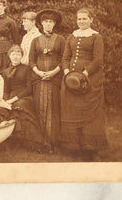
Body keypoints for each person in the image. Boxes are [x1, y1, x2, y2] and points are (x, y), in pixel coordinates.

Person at [60, 8, 108, 159]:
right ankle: (73, 145)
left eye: (84, 19)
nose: (81, 21)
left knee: (88, 111)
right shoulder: (71, 36)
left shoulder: (96, 37)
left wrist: (84, 74)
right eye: (79, 19)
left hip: (89, 79)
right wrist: (67, 72)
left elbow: (98, 60)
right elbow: (65, 57)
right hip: (70, 80)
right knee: (71, 109)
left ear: (91, 20)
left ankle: (90, 147)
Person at [29, 9, 65, 148]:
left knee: (53, 107)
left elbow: (65, 59)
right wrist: (38, 72)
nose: (48, 24)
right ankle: (41, 140)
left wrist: (53, 72)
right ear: (41, 24)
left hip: (54, 78)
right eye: (45, 22)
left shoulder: (61, 39)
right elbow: (31, 60)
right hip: (39, 79)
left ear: (54, 24)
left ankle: (54, 140)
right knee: (40, 106)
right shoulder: (36, 40)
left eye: (51, 22)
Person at [2, 45, 46, 149]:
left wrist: (14, 99)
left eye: (18, 54)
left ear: (22, 56)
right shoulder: (6, 71)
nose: (15, 57)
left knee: (19, 106)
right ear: (9, 56)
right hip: (11, 97)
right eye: (13, 54)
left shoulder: (27, 69)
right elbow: (6, 90)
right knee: (7, 109)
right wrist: (6, 100)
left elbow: (29, 89)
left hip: (25, 96)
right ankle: (16, 139)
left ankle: (32, 142)